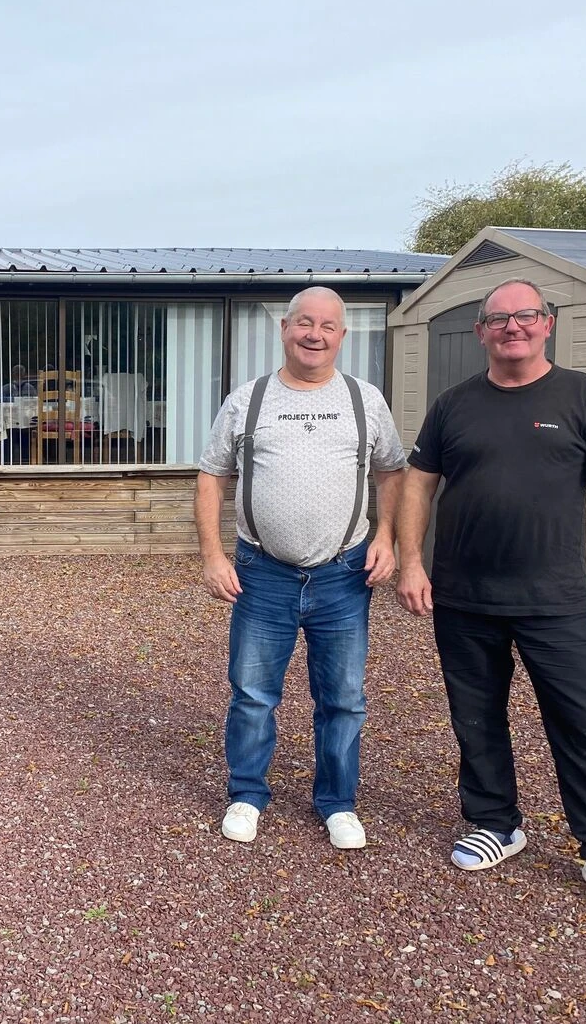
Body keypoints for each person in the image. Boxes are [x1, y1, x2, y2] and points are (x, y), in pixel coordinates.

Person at [395, 278, 586, 921]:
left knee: (582, 725)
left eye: (526, 316)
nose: (512, 326)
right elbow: (418, 485)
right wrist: (411, 562)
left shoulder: (581, 395)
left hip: (555, 597)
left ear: (547, 325)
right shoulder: (453, 404)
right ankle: (495, 822)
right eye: (498, 319)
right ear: (481, 332)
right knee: (476, 717)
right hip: (463, 596)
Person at [195, 286, 407, 849]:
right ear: (285, 328)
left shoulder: (366, 401)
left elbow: (392, 473)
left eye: (328, 326)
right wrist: (213, 555)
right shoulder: (249, 400)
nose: (315, 335)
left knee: (343, 697)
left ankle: (337, 802)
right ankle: (246, 794)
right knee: (253, 693)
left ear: (343, 335)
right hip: (263, 573)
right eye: (304, 323)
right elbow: (212, 476)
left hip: (344, 575)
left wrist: (387, 538)